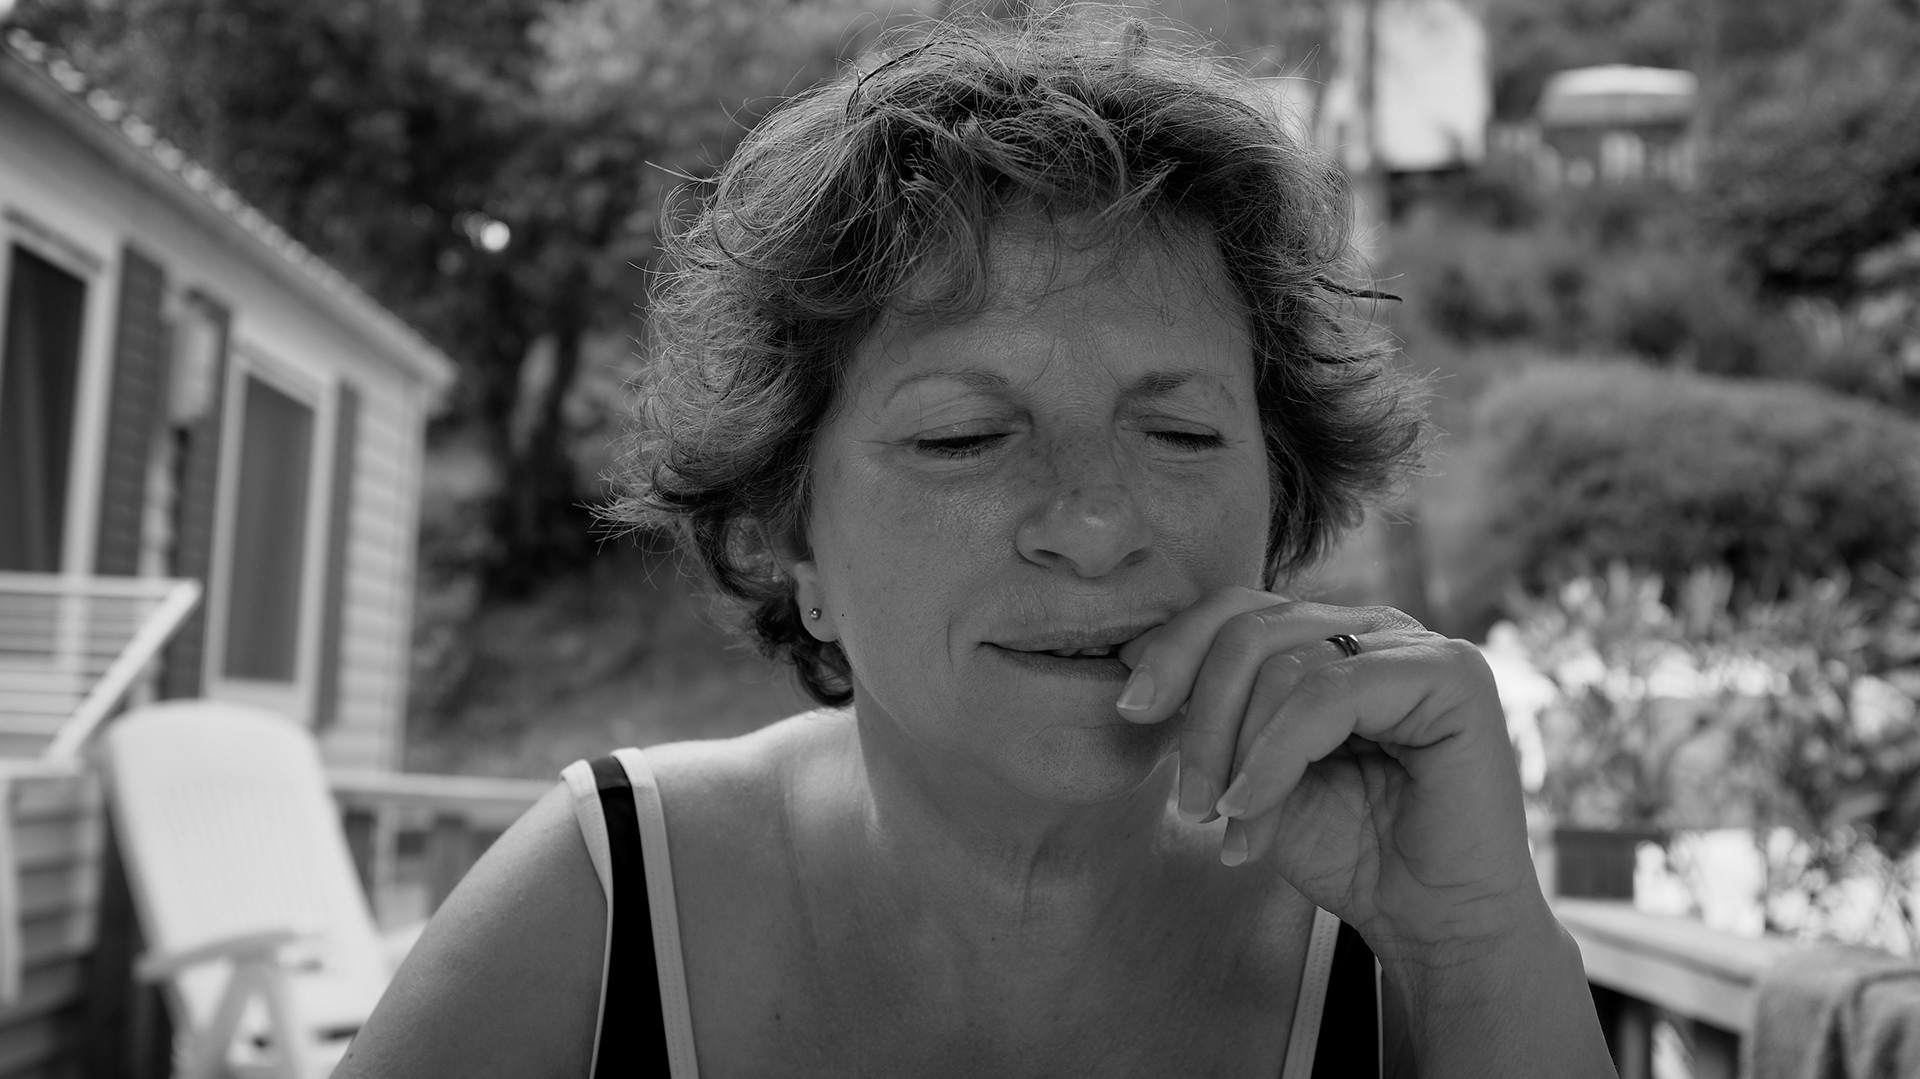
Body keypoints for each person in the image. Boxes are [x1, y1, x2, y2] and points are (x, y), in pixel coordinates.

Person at [337, 16, 1614, 1079]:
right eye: (964, 438)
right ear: (789, 535)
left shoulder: (1400, 952)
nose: (1095, 522)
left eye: (1178, 432)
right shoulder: (601, 905)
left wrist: (1475, 943)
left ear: (1280, 501)